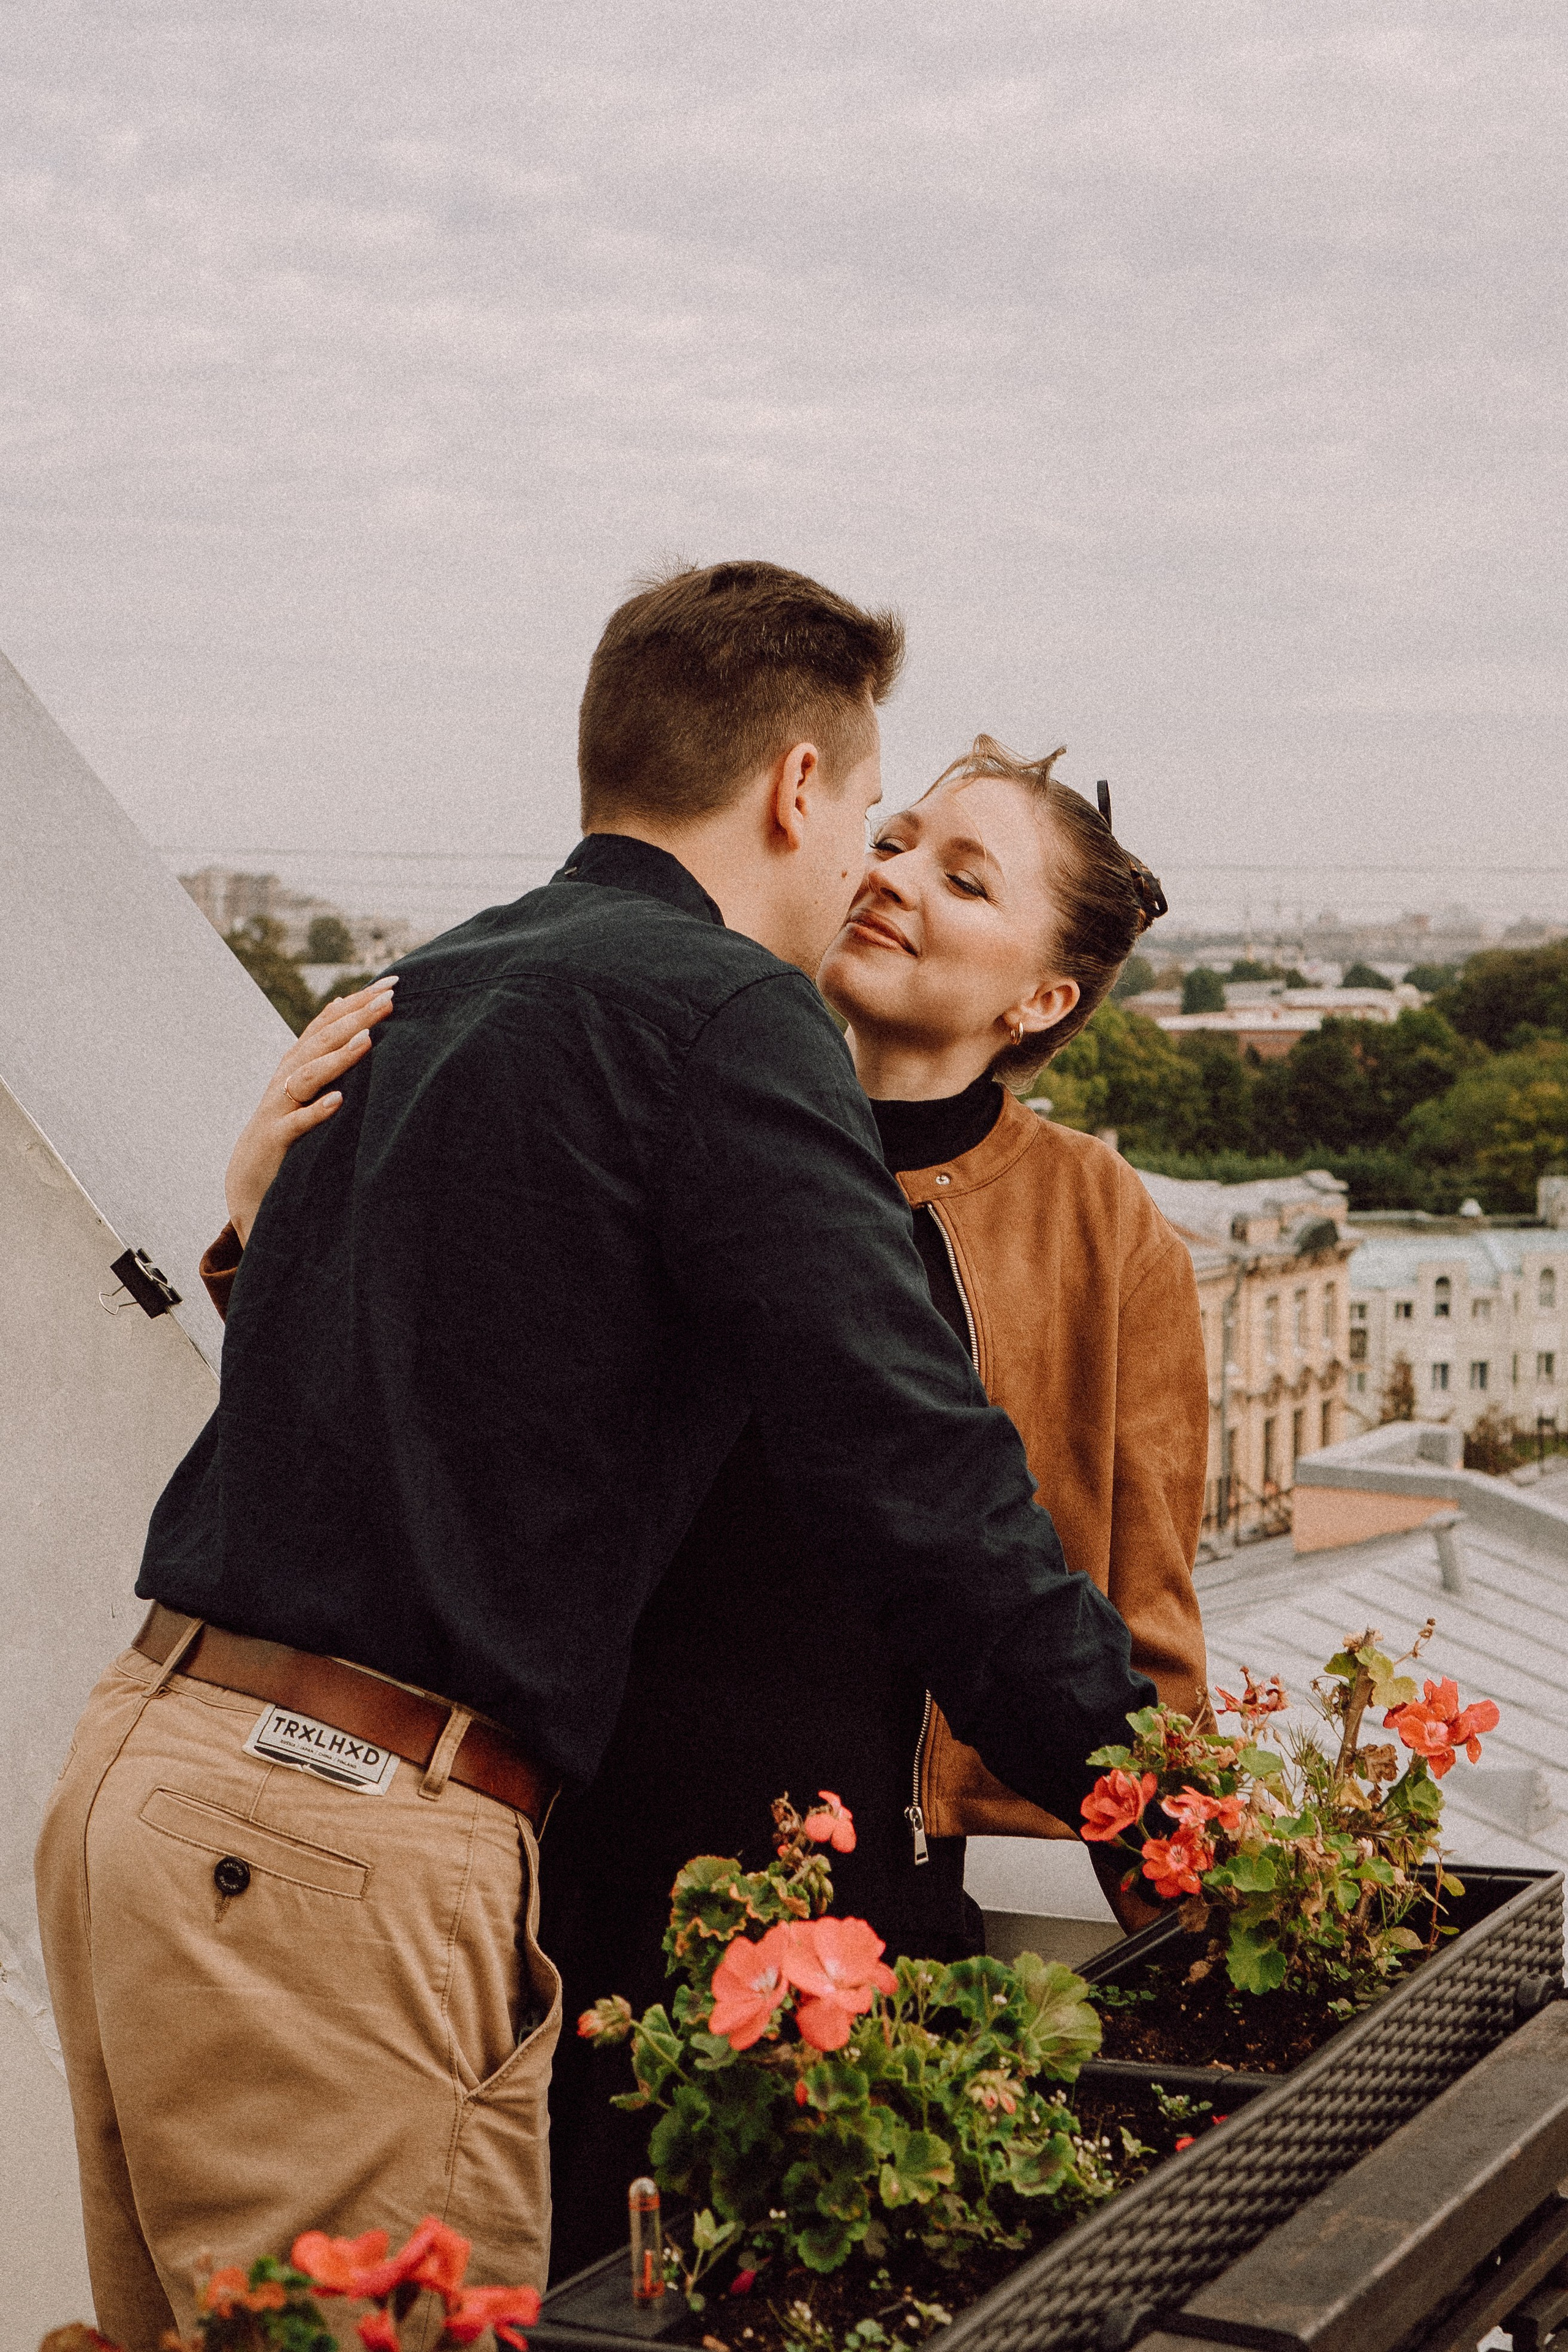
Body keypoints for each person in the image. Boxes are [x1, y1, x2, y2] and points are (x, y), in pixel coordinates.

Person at [35, 561, 1160, 2349]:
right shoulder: (728, 1015)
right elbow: (924, 1486)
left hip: (146, 1788)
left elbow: (445, 1395)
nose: (867, 859)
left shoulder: (438, 981)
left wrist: (258, 1237)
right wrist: (1175, 1821)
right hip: (343, 1833)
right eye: (874, 810)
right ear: (798, 786)